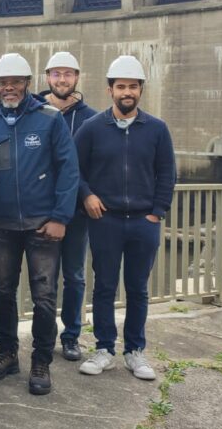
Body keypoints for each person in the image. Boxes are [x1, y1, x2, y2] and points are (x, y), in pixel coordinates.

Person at [0, 53, 79, 396]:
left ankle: (41, 361)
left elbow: (69, 170)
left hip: (42, 224)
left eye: (15, 82)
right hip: (2, 225)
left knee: (44, 296)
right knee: (3, 291)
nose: (9, 88)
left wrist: (60, 217)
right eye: (3, 83)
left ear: (28, 84)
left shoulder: (50, 119)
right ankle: (7, 353)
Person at [75, 55, 175, 381]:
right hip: (106, 221)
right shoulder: (92, 128)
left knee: (138, 288)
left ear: (141, 90)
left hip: (143, 222)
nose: (127, 92)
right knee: (104, 286)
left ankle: (135, 351)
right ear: (110, 90)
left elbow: (167, 173)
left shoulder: (157, 129)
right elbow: (74, 169)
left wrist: (157, 213)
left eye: (133, 86)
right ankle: (104, 349)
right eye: (121, 87)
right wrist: (87, 195)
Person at [38, 52, 97, 362]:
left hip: (75, 212)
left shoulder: (90, 118)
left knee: (74, 276)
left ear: (77, 77)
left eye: (68, 74)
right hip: (41, 210)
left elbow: (89, 165)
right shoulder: (34, 110)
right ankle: (45, 335)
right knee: (44, 279)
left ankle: (71, 335)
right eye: (56, 74)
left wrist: (87, 195)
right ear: (47, 77)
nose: (62, 79)